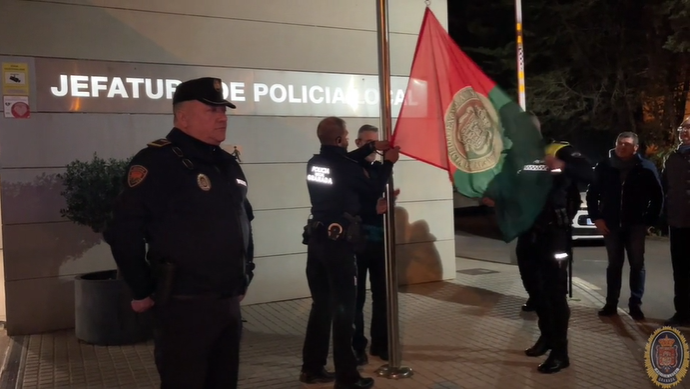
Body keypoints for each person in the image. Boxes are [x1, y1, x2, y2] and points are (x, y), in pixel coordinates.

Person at [103, 77, 255, 389]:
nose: (222, 116)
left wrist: (245, 275)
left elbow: (243, 220)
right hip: (183, 306)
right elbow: (123, 231)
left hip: (226, 304)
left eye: (223, 109)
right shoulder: (158, 162)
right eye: (211, 110)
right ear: (182, 117)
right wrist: (141, 290)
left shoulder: (225, 163)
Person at [300, 117, 399, 389]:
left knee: (321, 306)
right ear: (340, 139)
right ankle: (347, 376)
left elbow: (342, 159)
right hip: (339, 245)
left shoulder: (315, 163)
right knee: (344, 309)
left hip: (317, 241)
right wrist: (388, 161)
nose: (346, 138)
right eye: (344, 135)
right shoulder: (346, 168)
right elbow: (373, 187)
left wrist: (372, 147)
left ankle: (312, 367)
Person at [484, 132, 592, 374]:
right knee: (535, 292)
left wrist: (563, 164)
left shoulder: (558, 149)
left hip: (554, 235)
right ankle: (547, 337)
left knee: (555, 294)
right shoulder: (519, 157)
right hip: (528, 234)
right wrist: (493, 192)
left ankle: (560, 352)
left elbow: (589, 174)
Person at [586, 131, 663, 321]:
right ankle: (611, 303)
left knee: (637, 264)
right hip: (611, 224)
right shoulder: (604, 166)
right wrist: (597, 217)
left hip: (636, 224)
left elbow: (658, 196)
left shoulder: (645, 167)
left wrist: (649, 221)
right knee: (614, 265)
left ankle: (635, 304)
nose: (622, 147)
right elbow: (592, 194)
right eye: (619, 143)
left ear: (635, 148)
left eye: (626, 144)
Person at [351, 124, 399, 365]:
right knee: (356, 298)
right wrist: (373, 207)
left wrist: (390, 200)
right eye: (369, 143)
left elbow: (380, 193)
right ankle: (357, 345)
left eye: (377, 143)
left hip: (380, 242)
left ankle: (381, 343)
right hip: (357, 243)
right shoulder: (349, 168)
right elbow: (354, 201)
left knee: (382, 295)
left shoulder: (380, 169)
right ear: (358, 143)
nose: (374, 148)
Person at [662, 118, 690, 326]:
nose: (684, 132)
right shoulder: (672, 158)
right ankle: (682, 312)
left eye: (689, 129)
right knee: (680, 270)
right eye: (682, 128)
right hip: (678, 221)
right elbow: (665, 188)